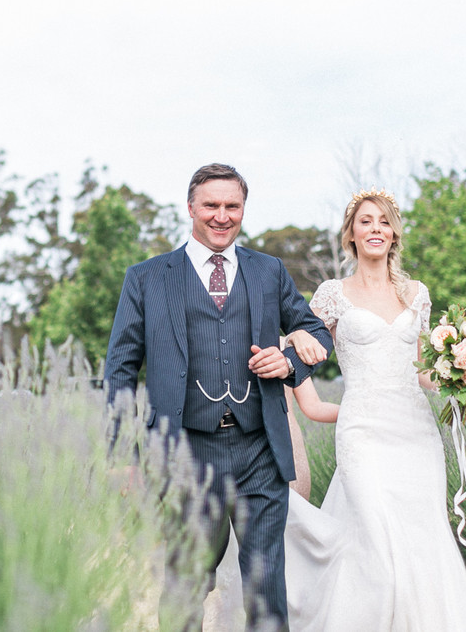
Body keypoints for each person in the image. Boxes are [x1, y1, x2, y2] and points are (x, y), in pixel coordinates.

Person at [103, 163, 334, 632]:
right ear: (191, 207)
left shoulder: (268, 270)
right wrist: (123, 453)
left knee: (267, 588)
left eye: (233, 206)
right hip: (185, 451)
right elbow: (120, 370)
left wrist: (291, 362)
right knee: (186, 583)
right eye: (211, 205)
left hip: (259, 451)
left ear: (243, 209)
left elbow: (314, 332)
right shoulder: (147, 278)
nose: (222, 216)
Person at [280, 188, 466, 631]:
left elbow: (421, 371)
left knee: (422, 539)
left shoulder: (417, 293)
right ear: (351, 235)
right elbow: (296, 353)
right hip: (363, 438)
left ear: (394, 234)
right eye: (366, 221)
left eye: (384, 221)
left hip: (415, 435)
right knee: (376, 539)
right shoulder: (332, 294)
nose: (376, 228)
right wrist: (315, 405)